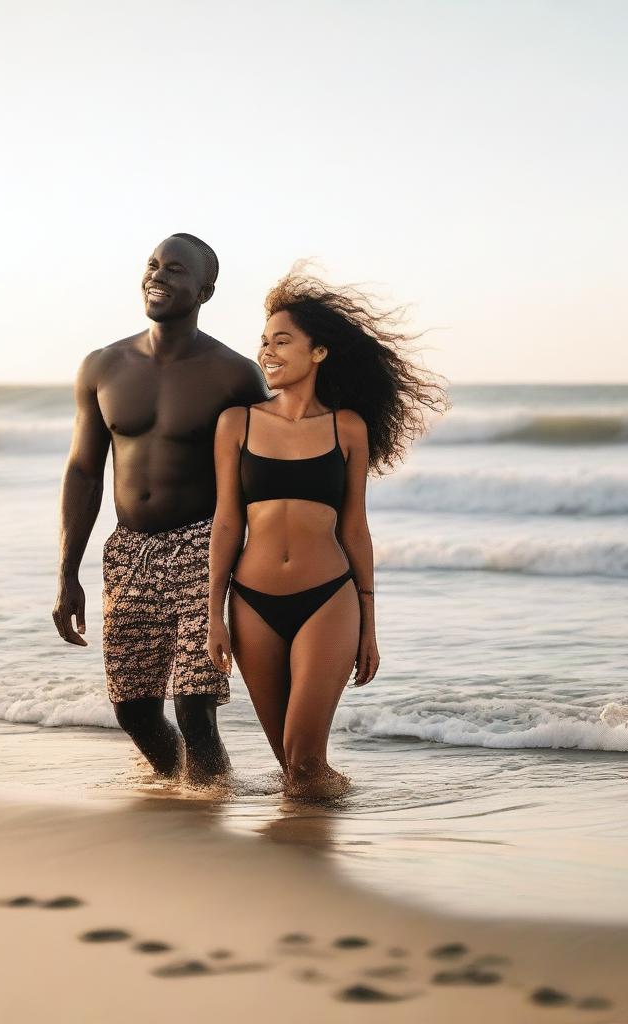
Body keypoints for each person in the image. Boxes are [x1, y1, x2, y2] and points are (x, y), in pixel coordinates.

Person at [207, 266, 446, 800]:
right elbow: (227, 522)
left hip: (329, 599)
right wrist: (213, 616)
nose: (268, 351)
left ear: (318, 352)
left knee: (303, 756)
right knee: (294, 771)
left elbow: (356, 528)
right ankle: (313, 852)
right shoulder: (236, 423)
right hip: (252, 603)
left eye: (283, 341)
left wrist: (369, 623)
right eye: (264, 342)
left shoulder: (348, 428)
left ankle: (338, 822)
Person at [53, 234, 268, 782]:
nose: (159, 276)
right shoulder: (103, 366)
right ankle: (178, 794)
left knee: (195, 705)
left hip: (203, 544)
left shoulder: (235, 374)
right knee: (134, 710)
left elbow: (261, 475)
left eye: (176, 270)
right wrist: (67, 572)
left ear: (205, 290)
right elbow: (83, 471)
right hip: (129, 550)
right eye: (152, 265)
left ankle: (209, 805)